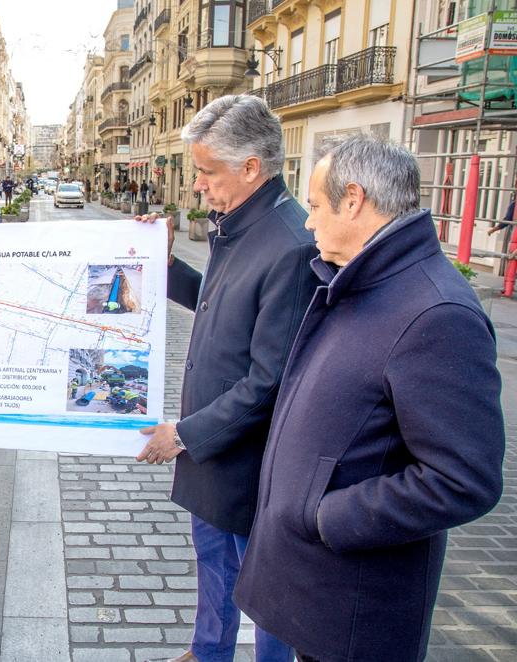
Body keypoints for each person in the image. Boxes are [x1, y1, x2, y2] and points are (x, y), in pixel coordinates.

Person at [234, 135, 505, 662]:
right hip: (321, 588)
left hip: (356, 602)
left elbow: (463, 479)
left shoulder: (436, 312)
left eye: (314, 207)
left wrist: (324, 515)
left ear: (353, 199)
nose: (309, 222)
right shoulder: (368, 280)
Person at [135, 94, 319, 662]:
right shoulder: (238, 223)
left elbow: (268, 382)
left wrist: (186, 434)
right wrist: (164, 268)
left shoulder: (289, 244)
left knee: (265, 585)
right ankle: (208, 651)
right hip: (217, 448)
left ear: (251, 169)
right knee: (213, 557)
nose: (197, 186)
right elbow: (218, 306)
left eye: (206, 172)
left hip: (248, 456)